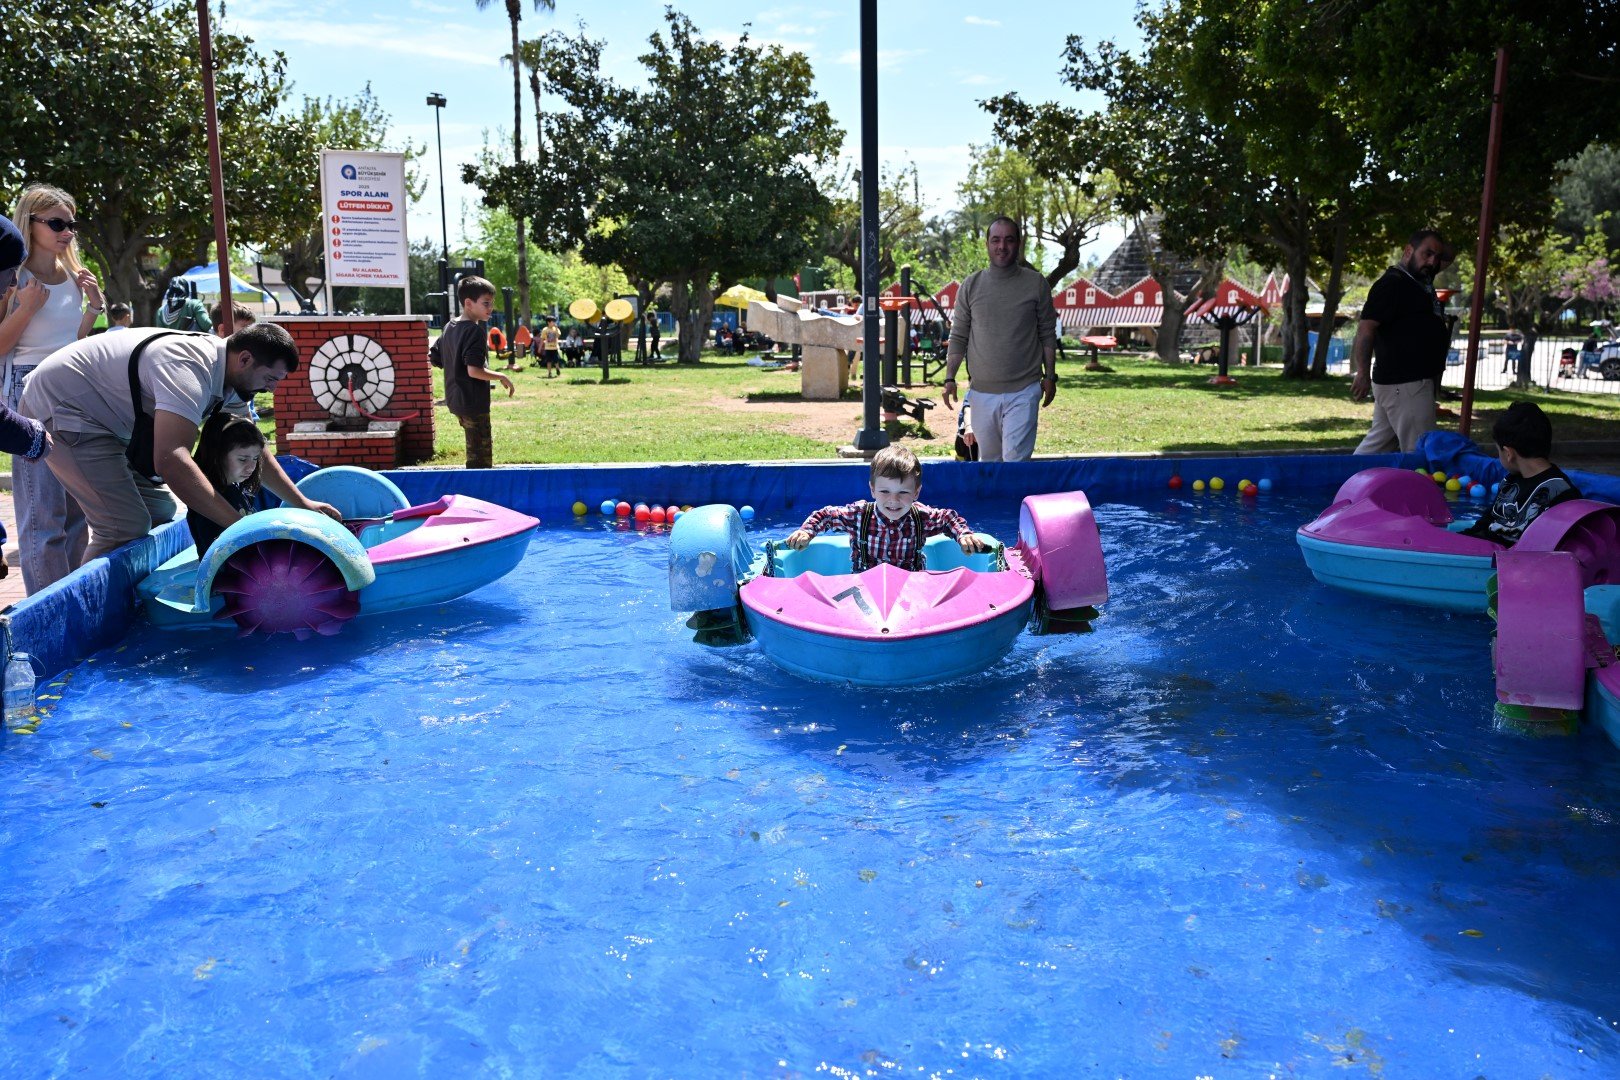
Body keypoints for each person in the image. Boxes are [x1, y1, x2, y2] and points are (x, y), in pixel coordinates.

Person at [18, 322, 341, 585]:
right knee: (123, 526)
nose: (272, 390)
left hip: (109, 421)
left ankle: (129, 590)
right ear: (244, 359)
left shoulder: (229, 377)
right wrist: (240, 530)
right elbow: (172, 461)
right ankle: (84, 619)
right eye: (270, 378)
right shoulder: (188, 368)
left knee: (159, 511)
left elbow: (254, 448)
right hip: (65, 409)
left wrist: (304, 504)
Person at [0, 185, 104, 594]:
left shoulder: (73, 276)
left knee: (78, 512)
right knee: (43, 517)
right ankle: (46, 615)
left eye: (71, 224)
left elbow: (73, 341)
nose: (67, 232)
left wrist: (93, 308)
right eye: (57, 223)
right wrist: (25, 307)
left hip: (73, 385)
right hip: (28, 387)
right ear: (32, 222)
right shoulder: (12, 278)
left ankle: (72, 603)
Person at [940, 216, 1058, 462]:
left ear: (1018, 244)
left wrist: (1049, 376)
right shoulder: (970, 286)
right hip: (981, 393)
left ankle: (1016, 501)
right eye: (996, 240)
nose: (1002, 247)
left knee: (1015, 460)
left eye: (1009, 240)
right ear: (987, 244)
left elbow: (1047, 333)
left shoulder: (1036, 284)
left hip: (1024, 390)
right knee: (989, 464)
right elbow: (959, 335)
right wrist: (950, 377)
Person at [784, 445, 987, 571]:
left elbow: (947, 517)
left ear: (916, 493)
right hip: (864, 588)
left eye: (903, 493)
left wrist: (964, 535)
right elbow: (826, 516)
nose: (893, 500)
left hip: (911, 588)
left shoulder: (921, 518)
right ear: (872, 490)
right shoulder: (859, 516)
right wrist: (806, 531)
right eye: (885, 492)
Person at [1350, 228, 1450, 454]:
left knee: (1376, 448)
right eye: (1427, 253)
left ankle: (1348, 484)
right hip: (1406, 384)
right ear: (1408, 251)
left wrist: (1435, 239)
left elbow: (1449, 255)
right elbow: (1366, 329)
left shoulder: (1420, 279)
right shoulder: (1393, 284)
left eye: (1437, 256)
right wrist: (1362, 373)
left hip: (1403, 384)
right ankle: (1421, 490)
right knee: (1421, 454)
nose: (1433, 261)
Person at [1462, 402, 1581, 547]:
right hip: (1485, 554)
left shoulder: (1560, 493)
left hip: (1504, 563)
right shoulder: (1510, 482)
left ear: (1508, 453)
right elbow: (1481, 527)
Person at [429, 275, 513, 469]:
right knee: (480, 460)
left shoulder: (450, 326)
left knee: (473, 451)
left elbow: (435, 358)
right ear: (468, 303)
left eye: (491, 303)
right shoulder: (474, 331)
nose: (490, 308)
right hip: (473, 402)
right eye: (486, 303)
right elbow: (474, 371)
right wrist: (501, 375)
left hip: (456, 400)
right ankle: (476, 497)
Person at [185, 412, 264, 558]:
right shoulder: (209, 499)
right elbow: (214, 554)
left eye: (255, 458)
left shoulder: (238, 490)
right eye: (242, 459)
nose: (251, 467)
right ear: (217, 455)